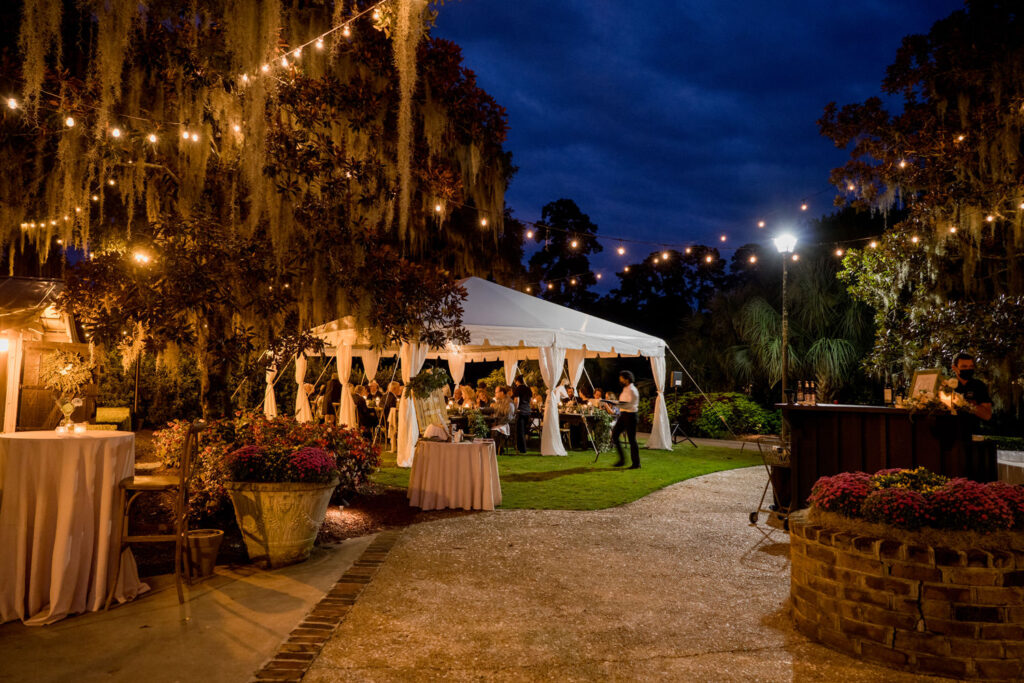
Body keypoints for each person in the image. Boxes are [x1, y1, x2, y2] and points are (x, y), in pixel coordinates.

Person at [610, 370, 640, 468]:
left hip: (631, 416)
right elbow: (623, 402)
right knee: (614, 434)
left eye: (621, 378)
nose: (620, 380)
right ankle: (622, 460)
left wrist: (616, 404)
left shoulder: (632, 390)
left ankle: (636, 463)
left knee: (632, 440)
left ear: (626, 379)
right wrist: (616, 403)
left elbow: (629, 404)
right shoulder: (625, 389)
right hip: (624, 415)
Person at [951, 352, 993, 422]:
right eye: (964, 367)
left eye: (971, 367)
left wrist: (965, 403)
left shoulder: (978, 385)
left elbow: (987, 415)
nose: (968, 369)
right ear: (954, 368)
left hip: (972, 428)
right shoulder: (948, 385)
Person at [512, 376, 533, 453]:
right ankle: (523, 448)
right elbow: (530, 400)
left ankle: (522, 449)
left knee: (520, 431)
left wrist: (515, 409)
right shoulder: (528, 389)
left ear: (517, 381)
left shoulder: (517, 389)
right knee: (524, 430)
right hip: (527, 411)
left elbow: (516, 400)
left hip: (520, 411)